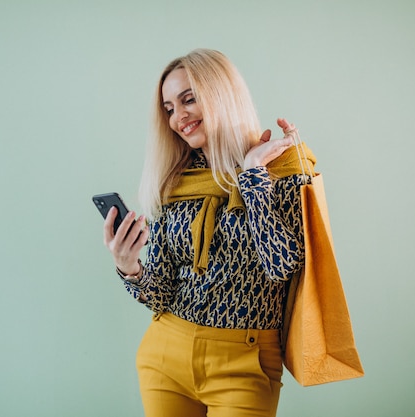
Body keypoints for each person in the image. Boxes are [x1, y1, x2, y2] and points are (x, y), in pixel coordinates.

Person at [102, 48, 316, 417]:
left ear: (221, 94)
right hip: (165, 353)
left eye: (189, 99)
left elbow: (282, 265)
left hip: (244, 363)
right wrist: (130, 267)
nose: (178, 117)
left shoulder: (280, 165)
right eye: (169, 108)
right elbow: (161, 293)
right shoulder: (176, 180)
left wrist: (252, 175)